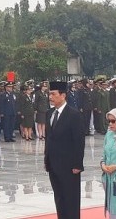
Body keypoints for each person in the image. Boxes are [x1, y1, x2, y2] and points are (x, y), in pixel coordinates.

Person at [44, 81, 85, 219]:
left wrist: (77, 164)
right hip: (53, 164)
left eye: (53, 94)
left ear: (63, 95)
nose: (50, 97)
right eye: (49, 94)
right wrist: (47, 159)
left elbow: (79, 141)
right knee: (59, 198)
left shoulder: (74, 115)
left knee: (71, 199)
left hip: (69, 166)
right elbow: (49, 139)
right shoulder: (49, 113)